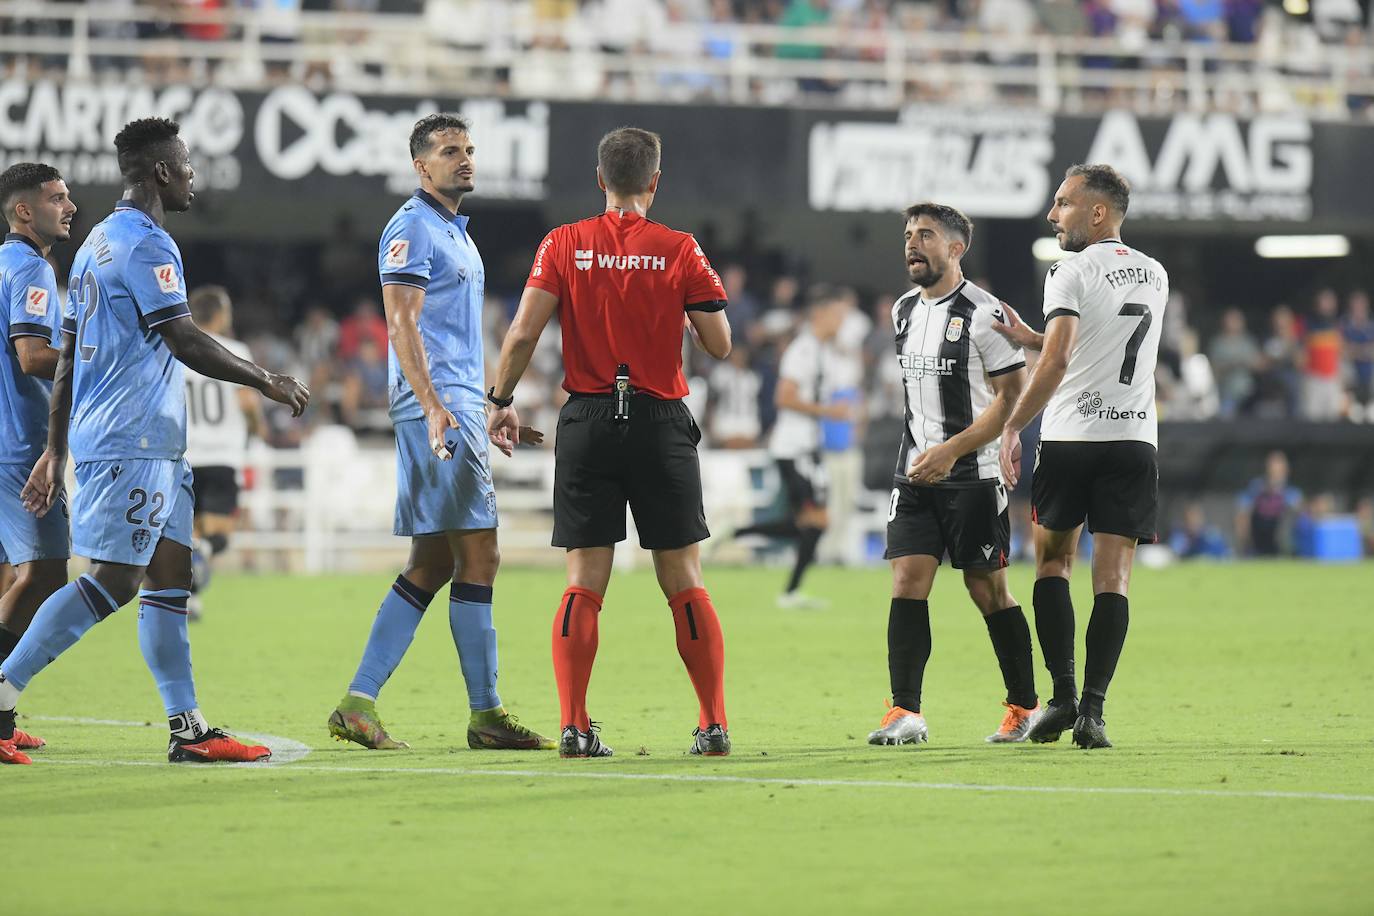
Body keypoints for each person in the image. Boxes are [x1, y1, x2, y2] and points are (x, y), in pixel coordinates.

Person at [1, 117, 310, 766]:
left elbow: (67, 359)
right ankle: (2, 691)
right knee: (113, 581)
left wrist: (57, 448)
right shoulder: (145, 243)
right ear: (162, 172)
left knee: (171, 580)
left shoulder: (93, 245)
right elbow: (183, 337)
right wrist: (266, 378)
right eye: (186, 165)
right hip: (131, 438)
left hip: (151, 442)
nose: (193, 175)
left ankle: (187, 729)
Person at [487, 126, 733, 758]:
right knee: (683, 577)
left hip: (588, 420)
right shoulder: (680, 248)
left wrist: (500, 400)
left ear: (600, 179)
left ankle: (574, 725)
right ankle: (712, 725)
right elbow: (720, 344)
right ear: (655, 181)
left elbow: (522, 334)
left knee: (583, 580)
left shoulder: (563, 243)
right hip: (660, 421)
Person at [327, 114, 554, 753]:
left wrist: (491, 405)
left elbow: (451, 338)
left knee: (432, 561)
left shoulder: (456, 233)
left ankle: (358, 704)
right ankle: (486, 712)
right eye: (451, 151)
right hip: (439, 409)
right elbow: (401, 324)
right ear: (421, 165)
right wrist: (433, 405)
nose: (466, 159)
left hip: (458, 404)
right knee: (481, 554)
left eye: (470, 149)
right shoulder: (411, 227)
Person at [995, 164, 1169, 750]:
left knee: (1052, 565)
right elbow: (1106, 341)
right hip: (1134, 440)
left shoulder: (1068, 270)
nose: (1053, 214)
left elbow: (1061, 358)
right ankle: (1093, 712)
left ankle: (1063, 697)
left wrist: (1013, 426)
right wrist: (1033, 337)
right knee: (1113, 578)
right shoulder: (1155, 273)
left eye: (1063, 203)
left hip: (1071, 439)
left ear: (1098, 212)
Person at [866, 203, 1039, 749]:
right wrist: (929, 454)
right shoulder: (902, 311)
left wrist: (953, 449)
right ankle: (905, 711)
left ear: (956, 248)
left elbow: (1011, 397)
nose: (912, 245)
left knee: (987, 590)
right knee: (906, 582)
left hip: (974, 476)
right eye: (908, 235)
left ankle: (1024, 706)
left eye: (926, 235)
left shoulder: (987, 313)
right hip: (916, 474)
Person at [0, 162, 78, 760]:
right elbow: (31, 356)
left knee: (9, 576)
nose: (69, 207)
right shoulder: (30, 268)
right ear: (23, 210)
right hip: (21, 447)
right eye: (56, 198)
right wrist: (100, 356)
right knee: (48, 574)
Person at [734, 287, 851, 609]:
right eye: (837, 315)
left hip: (808, 448)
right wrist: (829, 412)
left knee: (809, 522)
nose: (841, 321)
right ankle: (789, 591)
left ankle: (739, 533)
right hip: (793, 448)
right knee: (816, 521)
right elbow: (783, 397)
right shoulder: (803, 350)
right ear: (819, 315)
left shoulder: (823, 351)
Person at [182, 285, 265, 619]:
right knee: (219, 536)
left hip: (186, 455)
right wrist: (256, 428)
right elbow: (247, 402)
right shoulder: (235, 350)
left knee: (188, 533)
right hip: (223, 456)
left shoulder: (178, 351)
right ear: (220, 315)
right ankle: (202, 556)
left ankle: (190, 599)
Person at [1235, 450, 1302, 557]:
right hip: (1258, 534)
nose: (1275, 471)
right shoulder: (1256, 487)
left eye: (1279, 467)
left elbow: (1299, 511)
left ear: (1285, 470)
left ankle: (1289, 551)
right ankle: (1246, 550)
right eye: (1273, 467)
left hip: (1279, 536)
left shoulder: (1291, 492)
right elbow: (1243, 507)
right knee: (1243, 516)